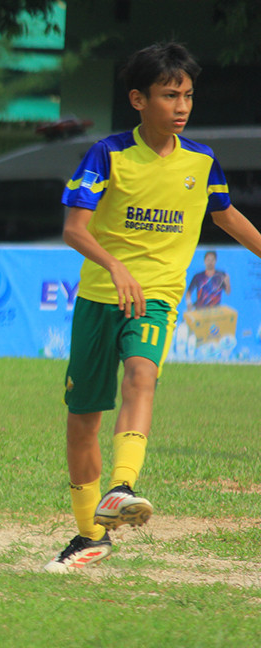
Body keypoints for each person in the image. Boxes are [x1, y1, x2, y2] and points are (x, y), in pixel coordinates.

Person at [44, 42, 261, 573]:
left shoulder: (202, 161)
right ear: (139, 100)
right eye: (169, 95)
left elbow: (225, 215)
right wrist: (115, 266)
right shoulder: (108, 154)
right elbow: (74, 229)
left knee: (142, 376)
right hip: (99, 298)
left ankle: (121, 487)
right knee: (82, 421)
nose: (182, 105)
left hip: (158, 296)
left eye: (187, 95)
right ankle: (90, 536)